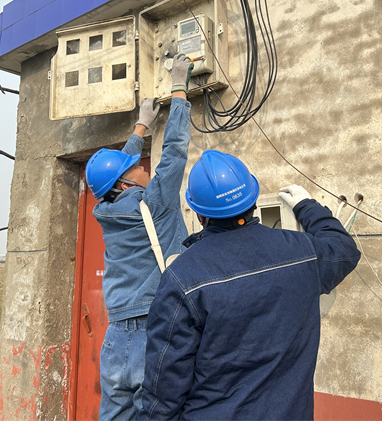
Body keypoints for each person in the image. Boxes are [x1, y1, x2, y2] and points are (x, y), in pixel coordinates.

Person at [139, 150, 361, 421]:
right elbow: (344, 249)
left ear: (199, 214)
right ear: (253, 199)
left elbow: (165, 384)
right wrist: (306, 206)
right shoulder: (303, 253)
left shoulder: (182, 277)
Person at [85, 54, 194, 421]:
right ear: (125, 182)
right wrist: (179, 86)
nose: (143, 166)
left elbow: (112, 176)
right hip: (155, 335)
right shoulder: (157, 203)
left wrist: (141, 126)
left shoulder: (105, 210)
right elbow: (176, 150)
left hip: (116, 339)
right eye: (136, 167)